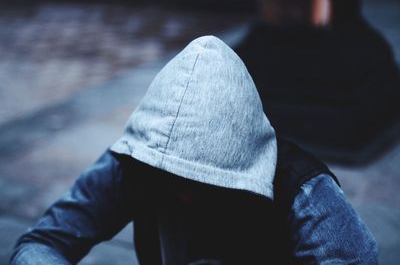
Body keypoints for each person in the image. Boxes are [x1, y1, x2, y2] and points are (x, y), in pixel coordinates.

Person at [10, 36, 378, 265]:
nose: (183, 194)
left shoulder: (303, 190)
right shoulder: (136, 164)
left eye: (201, 181)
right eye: (170, 178)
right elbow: (43, 242)